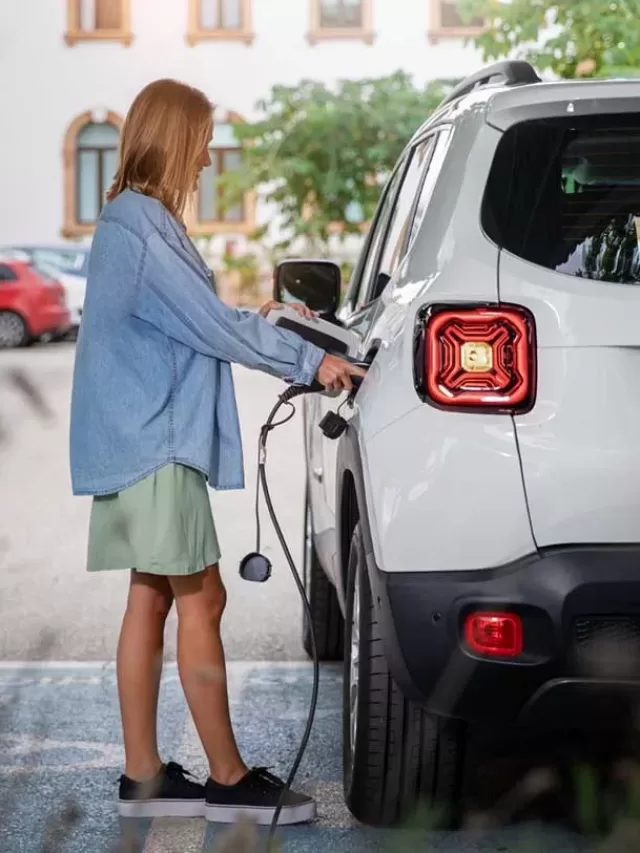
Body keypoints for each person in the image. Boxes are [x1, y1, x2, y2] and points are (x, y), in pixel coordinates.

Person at [69, 78, 364, 825]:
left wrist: (270, 316)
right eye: (199, 141)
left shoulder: (131, 221)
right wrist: (310, 361)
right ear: (172, 137)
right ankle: (230, 781)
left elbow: (195, 316)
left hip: (137, 442)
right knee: (202, 596)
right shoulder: (143, 226)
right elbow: (209, 326)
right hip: (156, 447)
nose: (205, 158)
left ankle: (143, 776)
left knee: (153, 594)